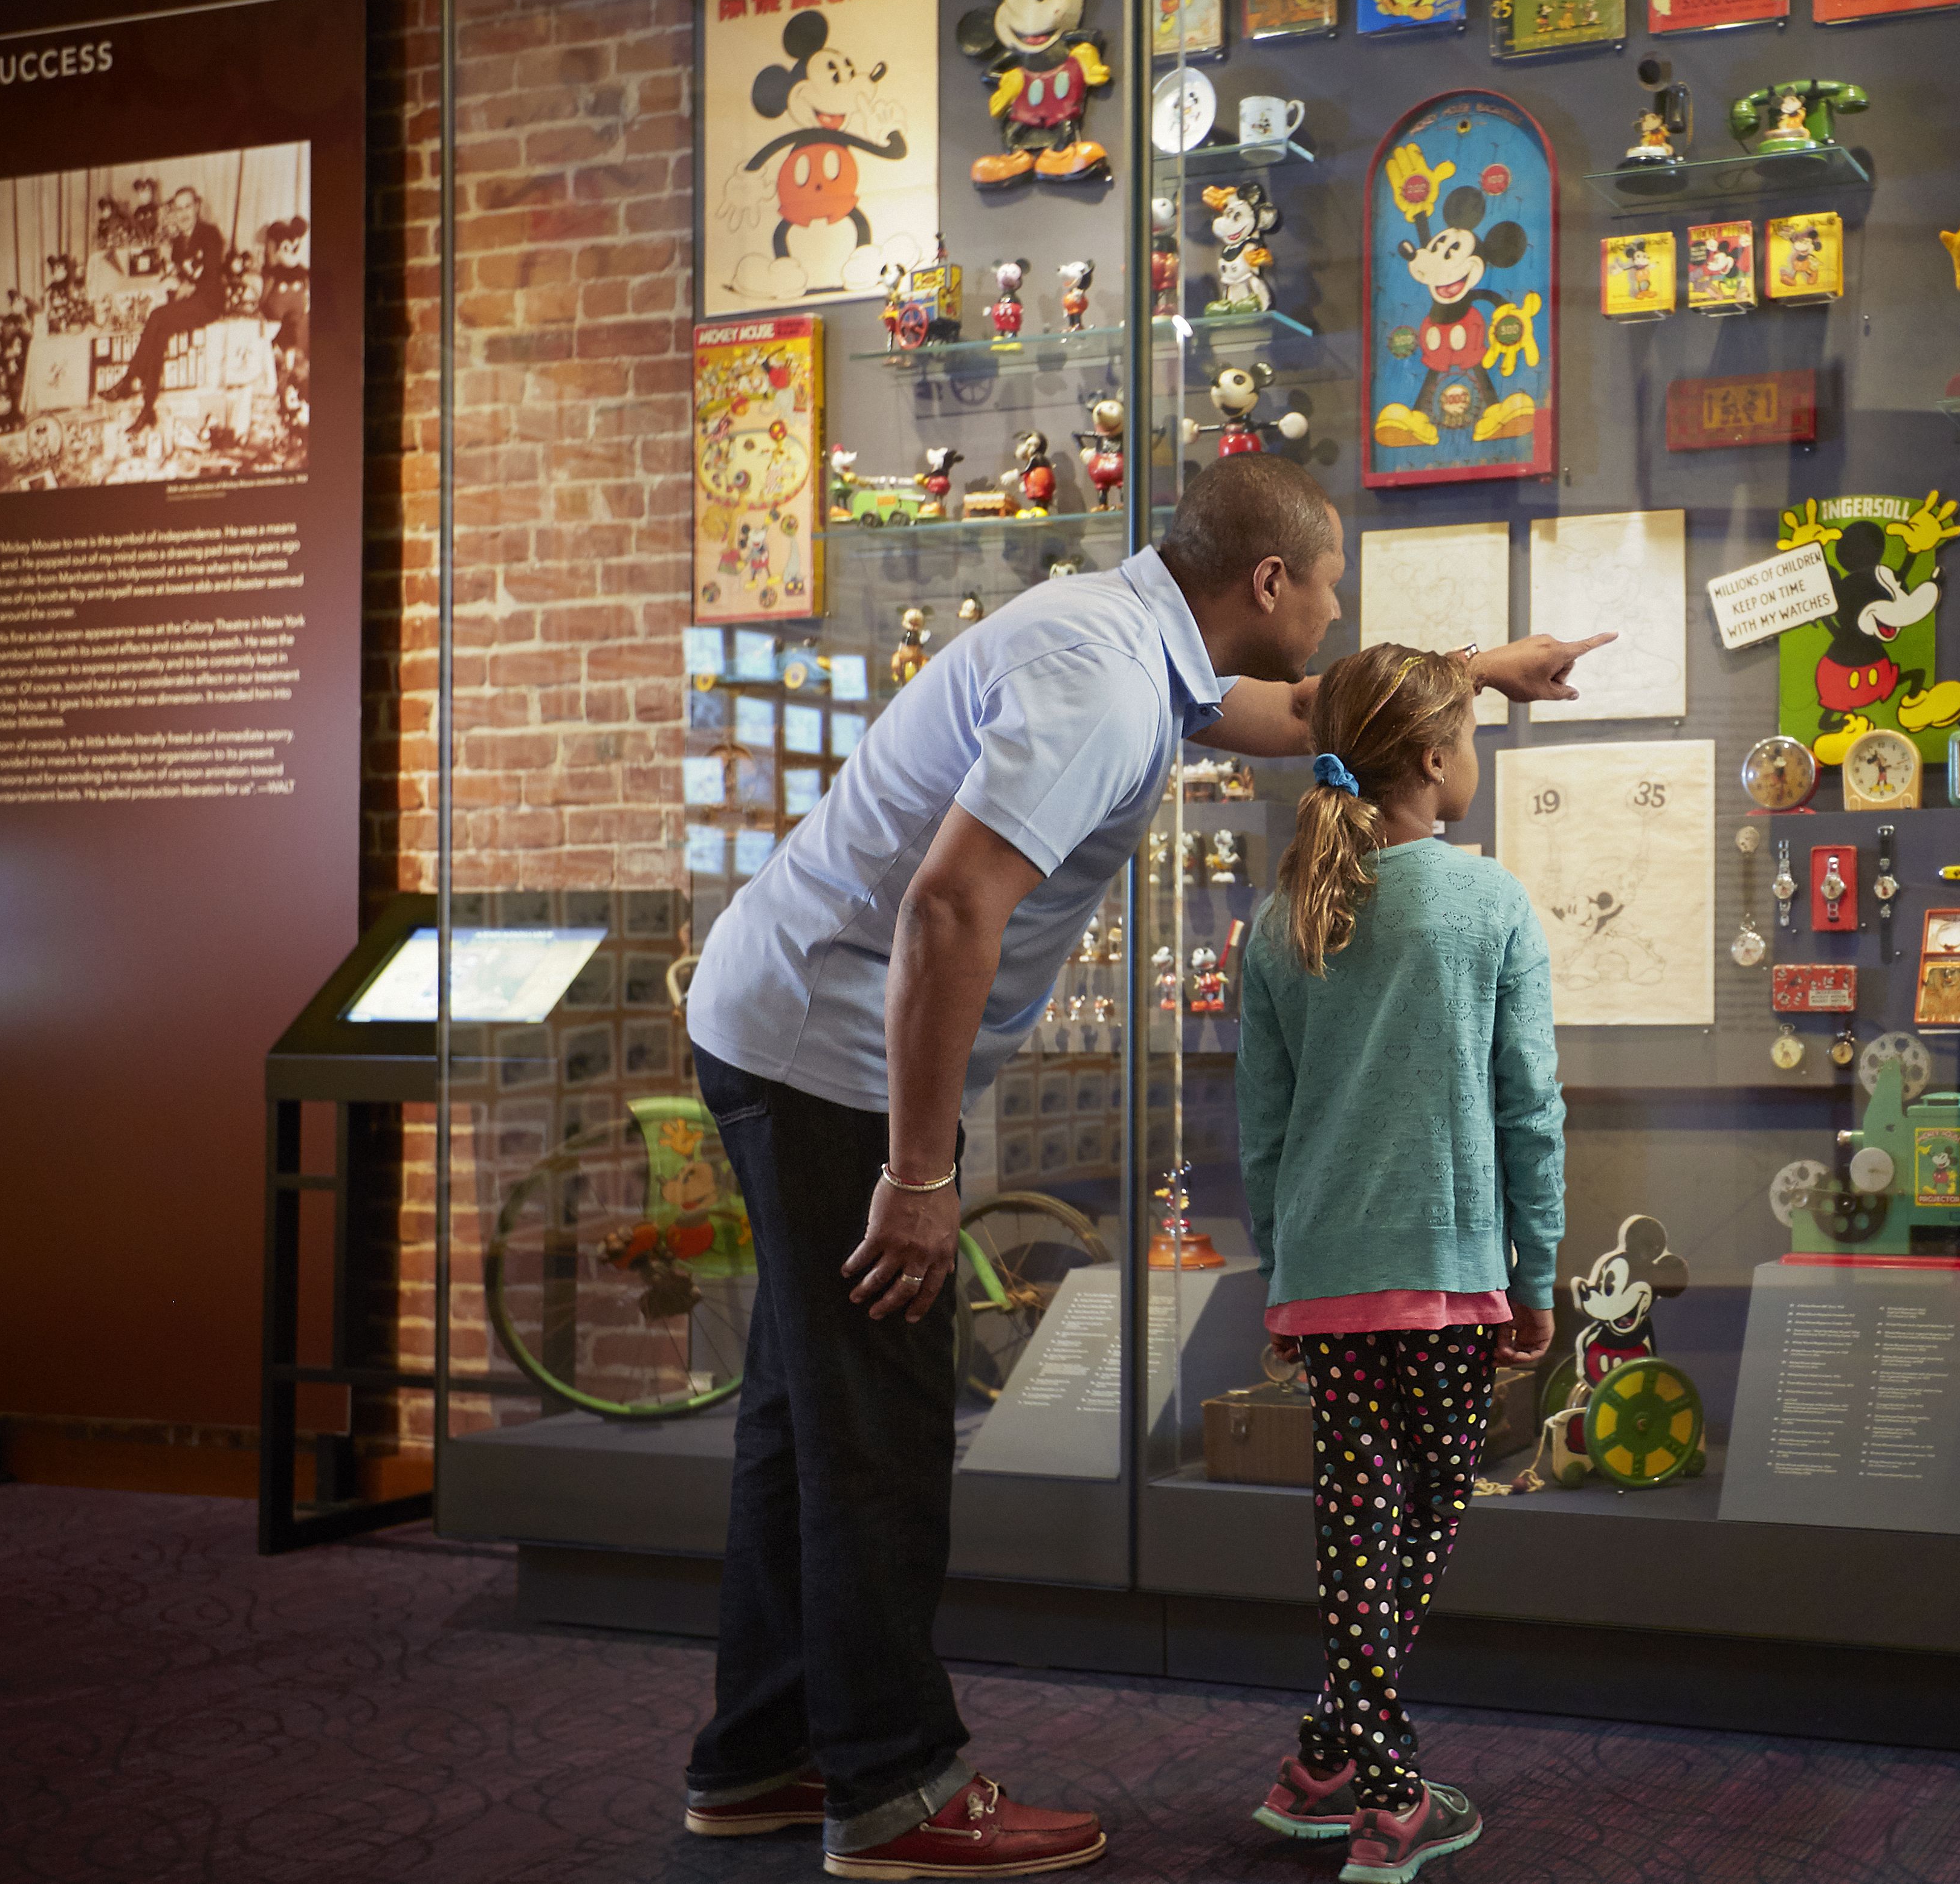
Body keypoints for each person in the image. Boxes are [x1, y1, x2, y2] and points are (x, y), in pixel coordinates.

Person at [677, 457, 1604, 1878]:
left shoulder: (1136, 641)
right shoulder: (1108, 684)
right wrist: (922, 1174)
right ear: (1270, 584)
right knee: (876, 1425)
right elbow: (948, 904)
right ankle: (893, 1788)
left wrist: (1485, 667)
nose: (1343, 604)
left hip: (780, 1019)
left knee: (803, 1416)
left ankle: (758, 1752)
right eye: (1335, 579)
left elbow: (1314, 715)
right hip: (824, 1051)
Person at [1237, 645, 1562, 1884]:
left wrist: (1280, 1277)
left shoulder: (1283, 916)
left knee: (1356, 1516)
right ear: (1433, 759)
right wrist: (1534, 1275)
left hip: (1325, 1280)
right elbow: (1529, 1109)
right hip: (1446, 1273)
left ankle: (1320, 1756)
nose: (1473, 758)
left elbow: (1258, 1133)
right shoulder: (1487, 907)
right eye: (1470, 737)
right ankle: (1385, 1788)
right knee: (1417, 1514)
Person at [110, 187, 227, 435]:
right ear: (173, 213)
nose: (183, 214)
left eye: (188, 207)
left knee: (157, 317)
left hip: (209, 303)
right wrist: (171, 282)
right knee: (158, 332)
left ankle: (130, 379)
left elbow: (213, 276)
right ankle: (147, 409)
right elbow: (177, 278)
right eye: (178, 209)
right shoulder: (176, 243)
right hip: (187, 304)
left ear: (197, 206)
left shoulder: (210, 234)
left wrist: (188, 286)